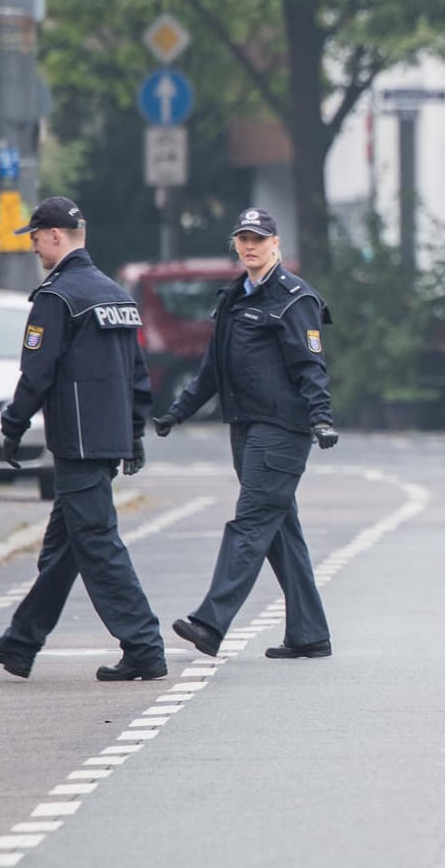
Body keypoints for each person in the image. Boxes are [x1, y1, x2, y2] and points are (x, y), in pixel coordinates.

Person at [0, 197, 165, 682]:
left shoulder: (57, 297)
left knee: (96, 543)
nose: (34, 248)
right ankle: (21, 641)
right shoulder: (116, 294)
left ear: (55, 235)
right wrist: (134, 433)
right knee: (65, 547)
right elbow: (138, 375)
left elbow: (37, 372)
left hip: (77, 441)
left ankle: (143, 645)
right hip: (105, 438)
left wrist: (13, 425)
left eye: (35, 238)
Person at [158, 207, 339, 661]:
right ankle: (309, 633)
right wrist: (177, 412)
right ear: (236, 245)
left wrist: (321, 417)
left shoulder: (295, 299)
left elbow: (309, 366)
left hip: (282, 431)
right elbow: (211, 370)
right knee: (281, 531)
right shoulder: (235, 297)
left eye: (259, 238)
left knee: (252, 523)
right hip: (246, 429)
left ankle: (211, 622)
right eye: (243, 238)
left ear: (276, 244)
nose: (251, 245)